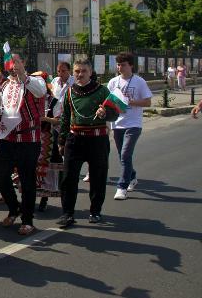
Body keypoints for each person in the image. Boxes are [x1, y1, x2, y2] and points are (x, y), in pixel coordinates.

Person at [57, 59, 118, 226]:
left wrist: (105, 113)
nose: (80, 74)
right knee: (68, 178)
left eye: (84, 71)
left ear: (90, 72)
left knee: (98, 177)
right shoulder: (69, 92)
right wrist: (61, 140)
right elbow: (65, 118)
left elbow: (115, 113)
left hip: (97, 140)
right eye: (77, 71)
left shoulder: (102, 90)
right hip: (75, 139)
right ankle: (67, 213)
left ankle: (95, 212)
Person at [0, 52, 46, 236]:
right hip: (8, 137)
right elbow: (0, 107)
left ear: (23, 62)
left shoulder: (35, 81)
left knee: (27, 179)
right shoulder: (4, 85)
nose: (13, 65)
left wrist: (22, 74)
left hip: (28, 138)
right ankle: (14, 208)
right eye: (10, 62)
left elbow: (40, 92)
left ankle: (27, 220)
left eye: (16, 61)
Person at [108, 52, 152, 201]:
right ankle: (132, 176)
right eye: (118, 64)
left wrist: (129, 102)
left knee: (126, 154)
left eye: (123, 65)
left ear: (131, 65)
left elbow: (148, 102)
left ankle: (122, 187)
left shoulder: (139, 82)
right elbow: (108, 100)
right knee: (122, 155)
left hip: (133, 124)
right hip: (117, 123)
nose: (120, 67)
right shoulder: (113, 82)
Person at [37, 62, 72, 212]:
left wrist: (44, 119)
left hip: (48, 137)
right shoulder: (31, 99)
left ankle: (45, 198)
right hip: (33, 137)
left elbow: (59, 120)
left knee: (48, 169)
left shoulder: (53, 101)